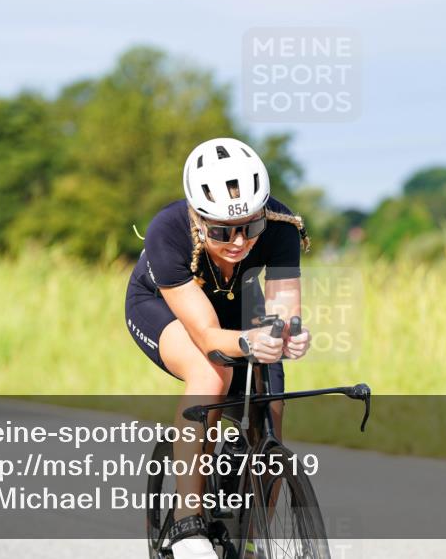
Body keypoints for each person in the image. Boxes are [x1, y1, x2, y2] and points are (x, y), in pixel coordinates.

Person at [125, 137, 312, 559]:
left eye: (250, 226)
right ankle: (187, 523)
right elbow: (208, 335)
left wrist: (288, 335)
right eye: (222, 231)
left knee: (272, 409)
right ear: (196, 218)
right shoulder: (168, 230)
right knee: (212, 373)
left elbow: (283, 310)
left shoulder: (281, 225)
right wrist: (250, 341)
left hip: (239, 303)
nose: (239, 242)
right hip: (165, 306)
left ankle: (250, 542)